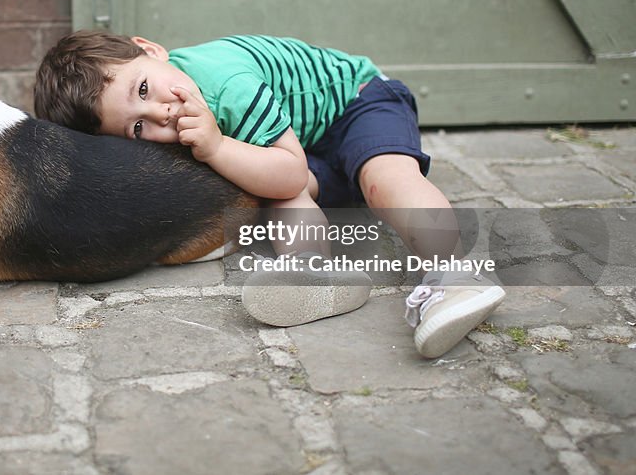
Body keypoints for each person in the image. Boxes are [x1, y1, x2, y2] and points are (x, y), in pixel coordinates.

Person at [34, 31, 505, 358]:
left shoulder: (226, 82)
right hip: (305, 141)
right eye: (138, 127)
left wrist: (218, 146)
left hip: (358, 103)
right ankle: (316, 273)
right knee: (276, 195)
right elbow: (281, 183)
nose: (162, 113)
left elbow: (287, 171)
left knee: (383, 178)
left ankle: (455, 275)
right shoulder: (178, 109)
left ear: (151, 49)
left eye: (144, 88)